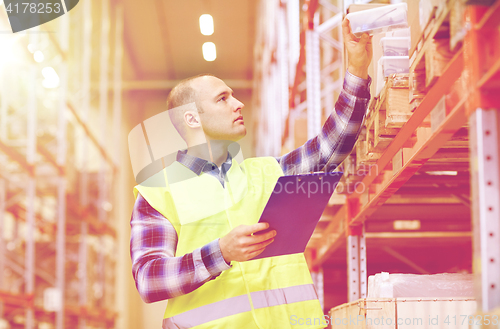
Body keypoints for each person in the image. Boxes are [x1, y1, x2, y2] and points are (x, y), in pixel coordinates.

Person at [130, 18, 372, 329]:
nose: (239, 103)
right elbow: (150, 280)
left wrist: (357, 68)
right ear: (191, 118)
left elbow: (330, 148)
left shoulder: (268, 171)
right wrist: (221, 252)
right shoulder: (157, 194)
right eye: (223, 98)